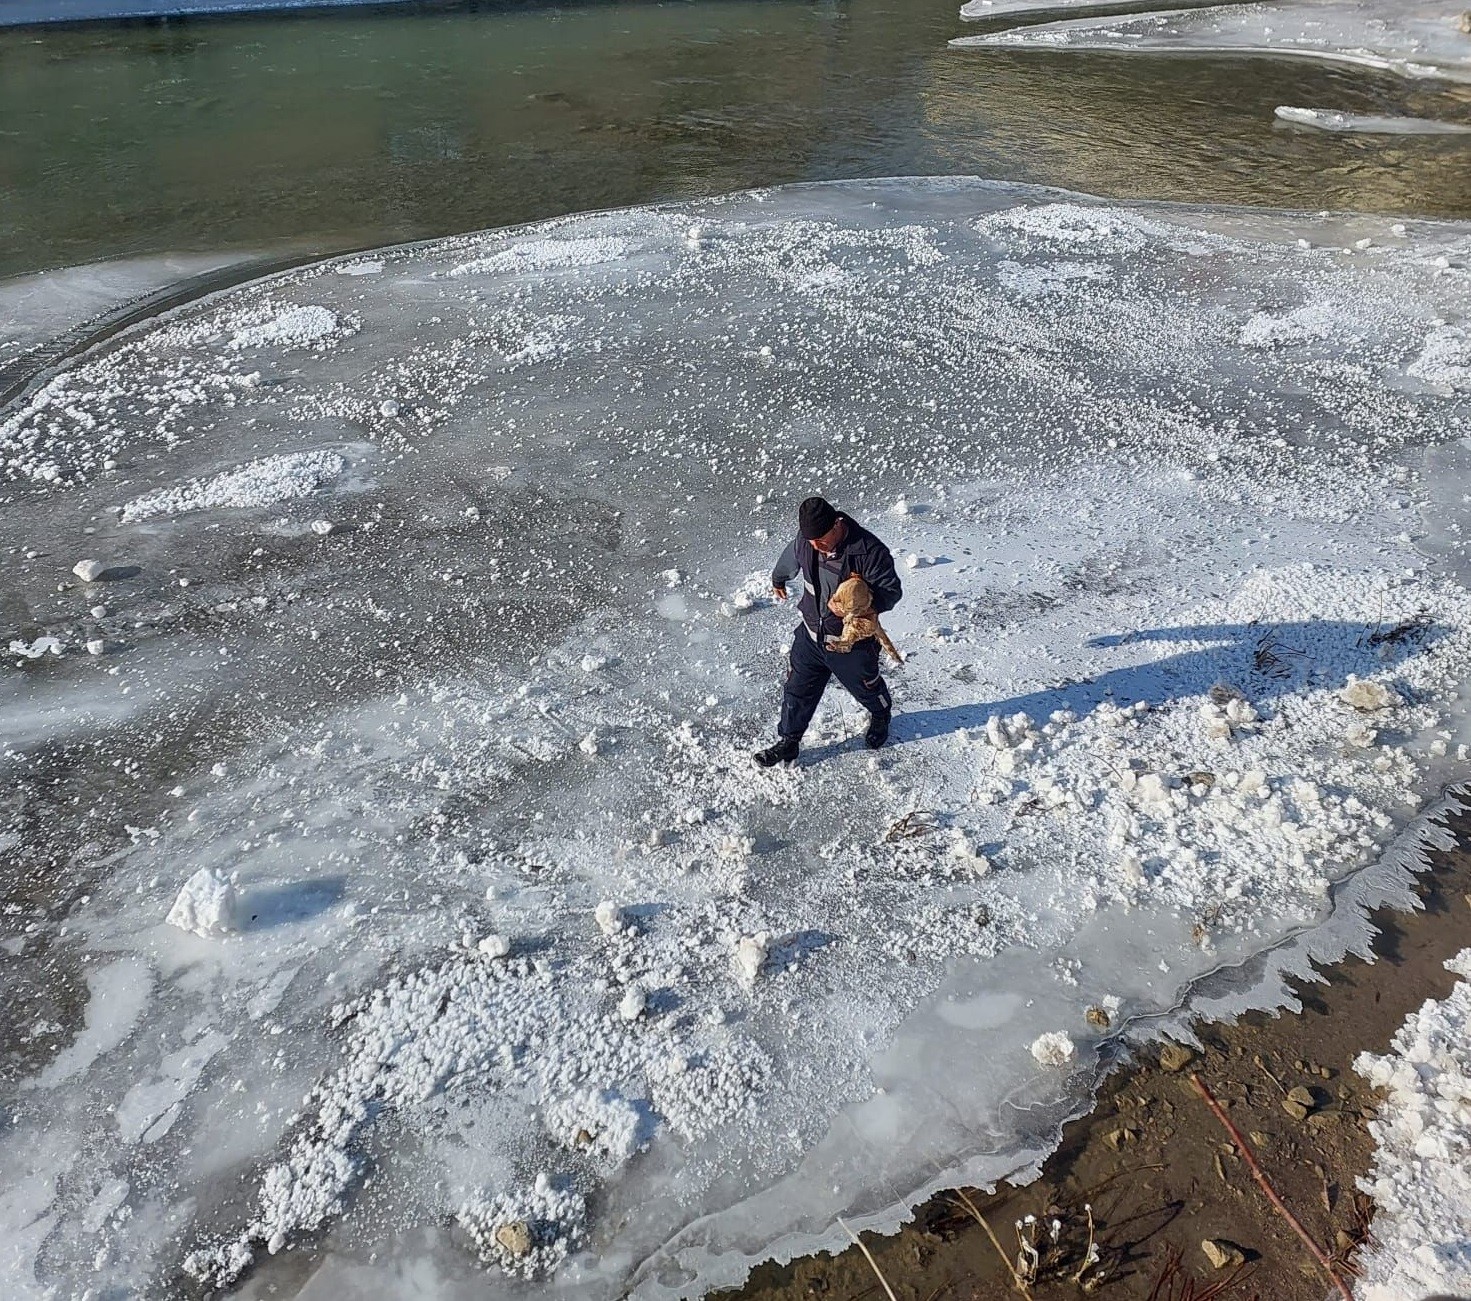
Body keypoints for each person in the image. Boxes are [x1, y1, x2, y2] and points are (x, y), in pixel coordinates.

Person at [754, 496, 902, 767]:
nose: (815, 546)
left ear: (837, 524)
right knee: (796, 691)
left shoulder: (869, 551)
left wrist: (859, 608)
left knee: (867, 686)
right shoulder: (808, 541)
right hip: (811, 635)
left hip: (849, 644)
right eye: (810, 540)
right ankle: (789, 741)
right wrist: (779, 576)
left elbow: (892, 592)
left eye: (820, 540)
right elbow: (792, 553)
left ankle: (881, 714)